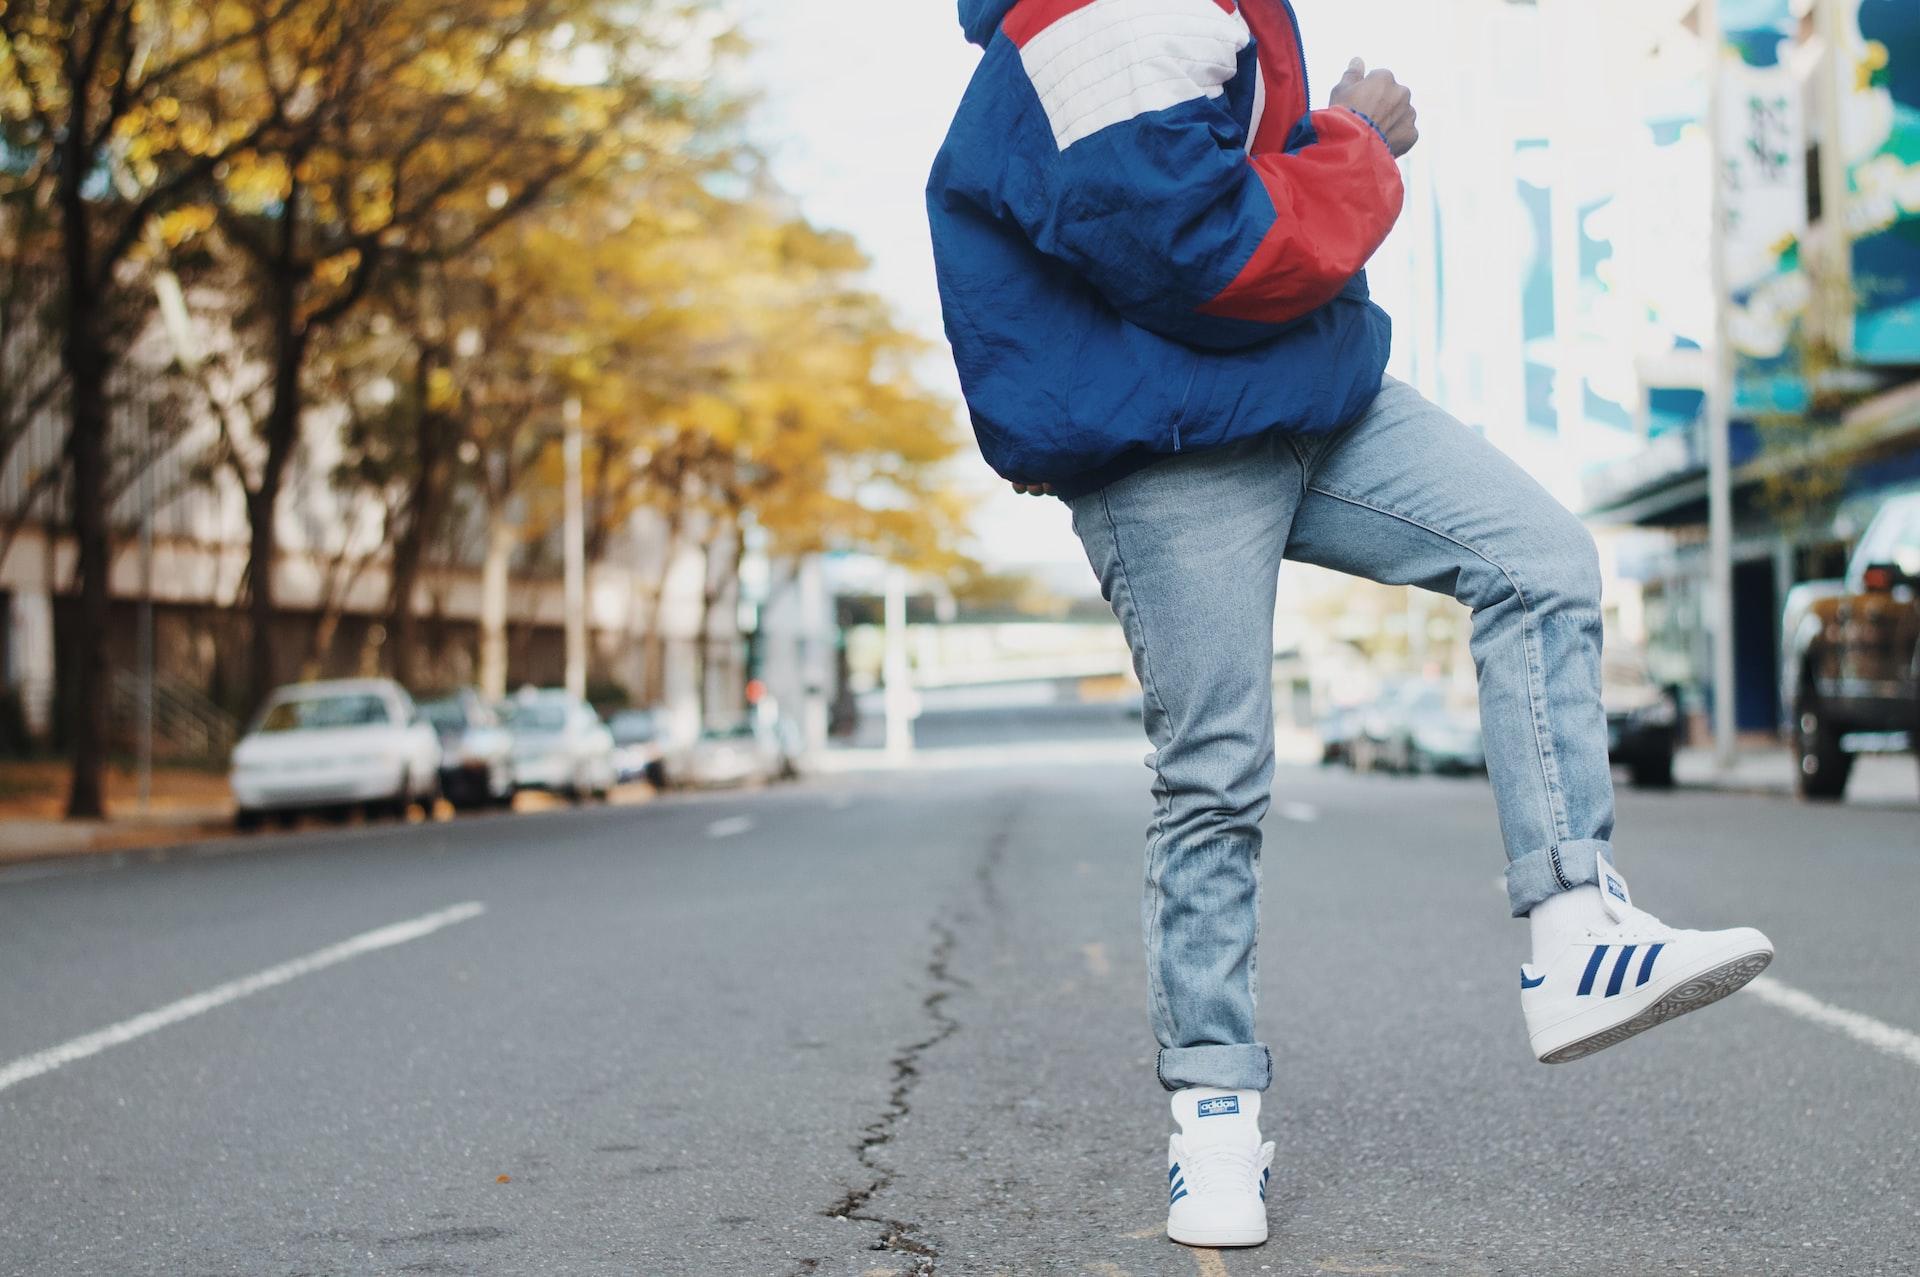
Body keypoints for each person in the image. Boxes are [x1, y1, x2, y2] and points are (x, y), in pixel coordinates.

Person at [925, 0, 1776, 1251]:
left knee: (1540, 559)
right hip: (1164, 437)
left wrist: (1320, 148)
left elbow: (1212, 199)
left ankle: (1575, 932)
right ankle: (1213, 1115)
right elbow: (1199, 254)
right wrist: (1358, 143)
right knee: (1217, 771)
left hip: (1313, 393)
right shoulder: (1089, 17)